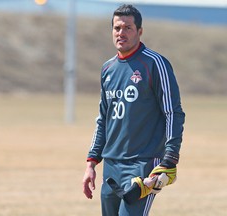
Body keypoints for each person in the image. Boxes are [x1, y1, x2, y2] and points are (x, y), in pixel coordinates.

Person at [82, 4, 185, 216]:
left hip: (143, 164)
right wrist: (92, 162)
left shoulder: (155, 64)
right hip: (111, 165)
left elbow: (173, 113)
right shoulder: (107, 69)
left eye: (128, 28)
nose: (121, 33)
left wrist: (170, 157)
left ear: (139, 31)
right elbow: (104, 119)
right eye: (117, 28)